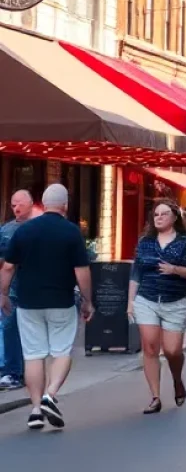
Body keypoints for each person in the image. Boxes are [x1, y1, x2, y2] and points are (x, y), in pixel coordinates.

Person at [0, 184, 94, 431]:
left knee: (33, 355)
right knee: (61, 351)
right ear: (65, 205)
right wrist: (87, 300)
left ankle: (34, 411)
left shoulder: (24, 231)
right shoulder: (71, 232)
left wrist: (3, 294)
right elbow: (81, 271)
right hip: (61, 301)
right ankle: (49, 395)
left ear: (42, 202)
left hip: (28, 302)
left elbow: (8, 267)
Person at [128, 201, 186, 414]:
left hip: (175, 301)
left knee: (172, 350)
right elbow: (136, 273)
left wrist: (175, 269)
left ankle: (177, 380)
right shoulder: (145, 242)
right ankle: (155, 397)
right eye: (156, 214)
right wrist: (130, 302)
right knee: (150, 347)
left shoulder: (185, 243)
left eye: (164, 214)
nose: (158, 217)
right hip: (147, 299)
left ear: (174, 217)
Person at [0, 189, 33, 391]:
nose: (16, 209)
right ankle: (12, 371)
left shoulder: (37, 227)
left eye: (20, 204)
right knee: (9, 327)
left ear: (30, 204)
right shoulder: (6, 230)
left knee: (27, 331)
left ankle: (23, 372)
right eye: (13, 205)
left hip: (31, 287)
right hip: (12, 287)